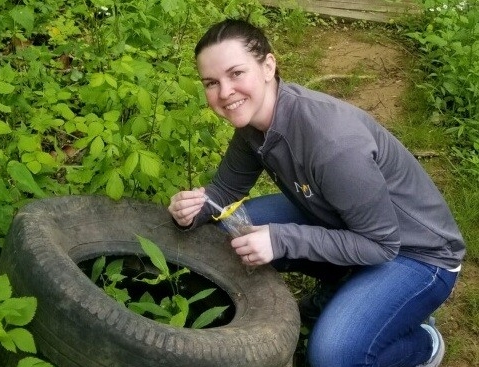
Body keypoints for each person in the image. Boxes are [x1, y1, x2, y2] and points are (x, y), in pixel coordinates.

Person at [167, 18, 465, 367]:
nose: (224, 92)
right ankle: (345, 286)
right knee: (224, 237)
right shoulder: (253, 124)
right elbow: (223, 191)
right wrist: (193, 209)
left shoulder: (333, 144)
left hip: (417, 255)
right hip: (343, 220)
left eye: (236, 74)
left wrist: (282, 239)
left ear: (268, 66)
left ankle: (421, 342)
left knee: (332, 356)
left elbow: (382, 245)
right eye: (211, 83)